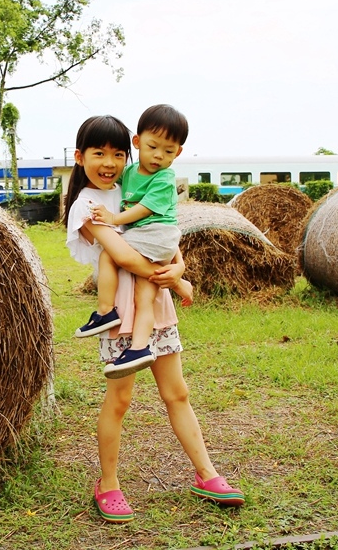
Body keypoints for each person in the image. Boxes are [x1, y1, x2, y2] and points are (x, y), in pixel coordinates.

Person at [63, 114, 245, 523]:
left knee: (177, 393)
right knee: (121, 400)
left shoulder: (133, 185)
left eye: (116, 154)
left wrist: (179, 268)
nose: (108, 162)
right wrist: (177, 282)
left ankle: (207, 474)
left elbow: (166, 232)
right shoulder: (87, 205)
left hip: (155, 303)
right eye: (98, 154)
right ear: (80, 158)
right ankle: (107, 484)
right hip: (122, 312)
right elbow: (125, 256)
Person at [78, 104, 192, 380]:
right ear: (138, 142)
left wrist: (114, 218)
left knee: (109, 256)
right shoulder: (128, 174)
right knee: (145, 296)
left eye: (168, 151)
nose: (158, 156)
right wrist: (178, 277)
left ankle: (105, 311)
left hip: (155, 236)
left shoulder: (164, 178)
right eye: (153, 147)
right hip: (154, 238)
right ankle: (140, 347)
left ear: (177, 153)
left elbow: (144, 212)